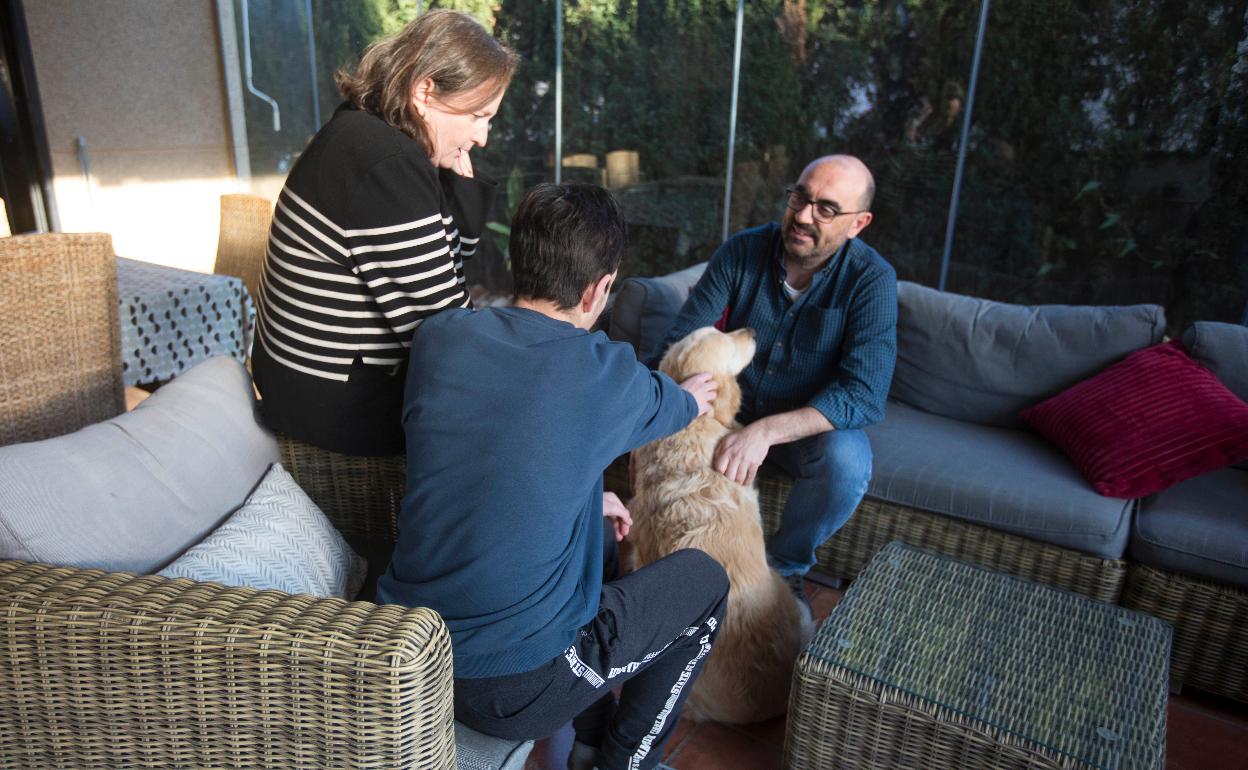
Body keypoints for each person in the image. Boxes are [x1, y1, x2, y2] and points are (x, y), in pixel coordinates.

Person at [378, 182, 728, 770]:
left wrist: (591, 501)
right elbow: (678, 407)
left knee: (598, 530)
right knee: (705, 584)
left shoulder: (441, 338)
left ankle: (588, 744)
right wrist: (694, 394)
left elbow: (512, 443)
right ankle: (623, 763)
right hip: (511, 690)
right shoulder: (605, 374)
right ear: (599, 289)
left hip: (415, 650)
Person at [252, 10, 518, 455]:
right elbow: (447, 331)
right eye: (477, 115)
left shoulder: (363, 131)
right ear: (425, 91)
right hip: (339, 404)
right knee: (519, 407)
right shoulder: (385, 164)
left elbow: (449, 267)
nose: (483, 137)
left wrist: (458, 179)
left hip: (306, 382)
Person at [656, 154, 897, 601]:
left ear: (858, 223)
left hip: (801, 429)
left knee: (847, 462)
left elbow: (864, 395)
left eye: (826, 209)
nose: (803, 216)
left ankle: (783, 569)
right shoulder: (743, 251)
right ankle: (683, 568)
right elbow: (681, 340)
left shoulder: (871, 281)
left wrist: (764, 433)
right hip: (730, 414)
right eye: (799, 198)